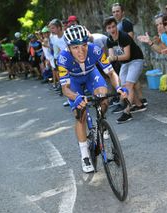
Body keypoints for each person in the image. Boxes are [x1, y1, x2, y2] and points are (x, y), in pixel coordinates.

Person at [57, 25, 127, 173]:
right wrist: (76, 98)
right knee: (80, 115)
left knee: (103, 96)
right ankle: (85, 156)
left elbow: (111, 73)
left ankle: (101, 123)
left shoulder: (95, 50)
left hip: (91, 75)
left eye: (83, 45)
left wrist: (119, 88)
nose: (81, 51)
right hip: (74, 82)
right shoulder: (63, 58)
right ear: (68, 48)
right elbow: (65, 89)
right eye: (75, 47)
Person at [104, 16, 147, 123]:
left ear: (116, 26)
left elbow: (127, 56)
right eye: (109, 28)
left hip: (136, 60)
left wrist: (114, 58)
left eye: (113, 27)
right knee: (123, 86)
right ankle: (139, 105)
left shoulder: (124, 37)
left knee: (129, 85)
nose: (112, 30)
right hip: (125, 63)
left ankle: (127, 112)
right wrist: (108, 60)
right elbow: (111, 56)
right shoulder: (109, 40)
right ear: (106, 30)